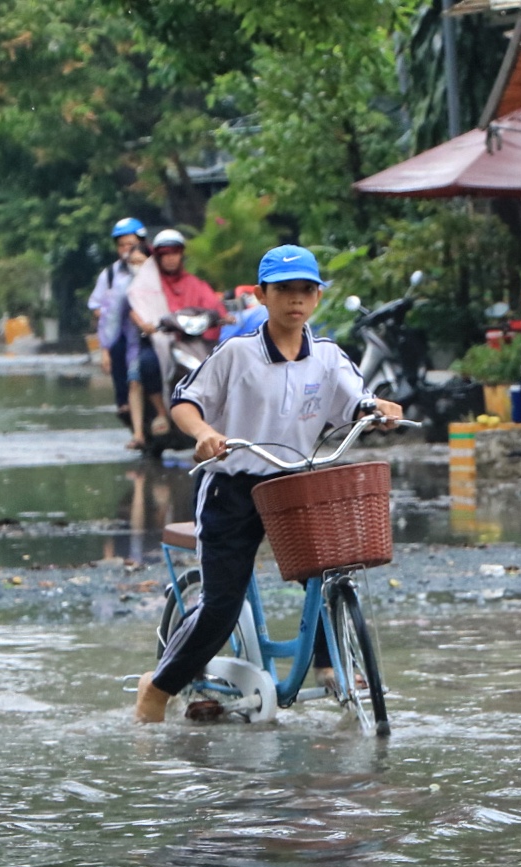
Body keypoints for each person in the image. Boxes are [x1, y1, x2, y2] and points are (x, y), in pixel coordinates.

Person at [134, 244, 403, 723]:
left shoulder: (327, 357)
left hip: (292, 485)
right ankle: (157, 689)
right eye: (283, 290)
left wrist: (377, 410)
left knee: (325, 572)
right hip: (230, 488)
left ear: (317, 297)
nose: (294, 300)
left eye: (304, 290)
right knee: (221, 606)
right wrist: (205, 433)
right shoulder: (237, 353)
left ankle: (326, 665)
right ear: (262, 295)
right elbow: (184, 400)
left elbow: (357, 401)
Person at [128, 229, 228, 439]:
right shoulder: (149, 285)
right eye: (165, 253)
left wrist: (224, 315)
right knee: (148, 363)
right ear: (158, 256)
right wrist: (145, 324)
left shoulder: (195, 283)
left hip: (193, 341)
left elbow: (212, 304)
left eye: (175, 252)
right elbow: (136, 307)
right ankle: (162, 413)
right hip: (160, 341)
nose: (171, 258)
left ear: (181, 254)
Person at [88, 217, 149, 449]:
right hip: (123, 333)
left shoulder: (157, 270)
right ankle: (127, 410)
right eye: (122, 245)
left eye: (131, 244)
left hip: (154, 331)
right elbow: (97, 306)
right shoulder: (112, 275)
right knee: (120, 354)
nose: (127, 250)